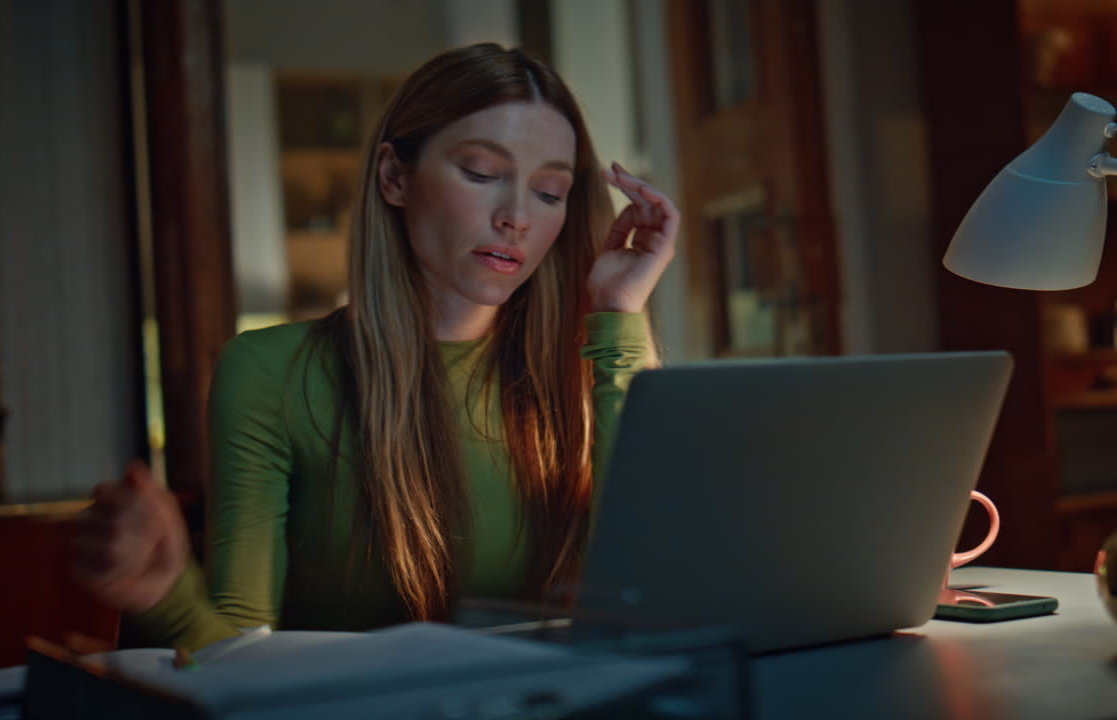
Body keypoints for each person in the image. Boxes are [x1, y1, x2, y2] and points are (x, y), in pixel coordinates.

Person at [73, 43, 679, 652]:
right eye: (481, 173)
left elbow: (656, 595)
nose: (516, 217)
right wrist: (165, 600)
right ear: (393, 177)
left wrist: (620, 317)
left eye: (549, 192)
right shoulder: (269, 373)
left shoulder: (583, 374)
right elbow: (240, 653)